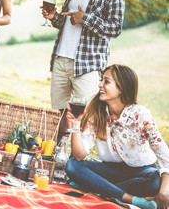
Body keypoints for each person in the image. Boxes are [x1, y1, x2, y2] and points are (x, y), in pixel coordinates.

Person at [65, 64, 168, 209]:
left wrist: (164, 191)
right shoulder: (96, 113)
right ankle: (130, 199)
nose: (100, 84)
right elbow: (79, 156)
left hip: (141, 171)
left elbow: (163, 153)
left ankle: (96, 187)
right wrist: (75, 126)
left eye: (106, 81)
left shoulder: (140, 114)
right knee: (72, 166)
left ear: (121, 88)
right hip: (110, 171)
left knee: (155, 182)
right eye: (101, 80)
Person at [41, 0, 125, 143]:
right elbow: (67, 23)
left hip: (87, 64)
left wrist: (85, 18)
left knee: (87, 114)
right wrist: (53, 17)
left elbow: (115, 28)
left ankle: (78, 157)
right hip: (61, 58)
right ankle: (59, 154)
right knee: (60, 111)